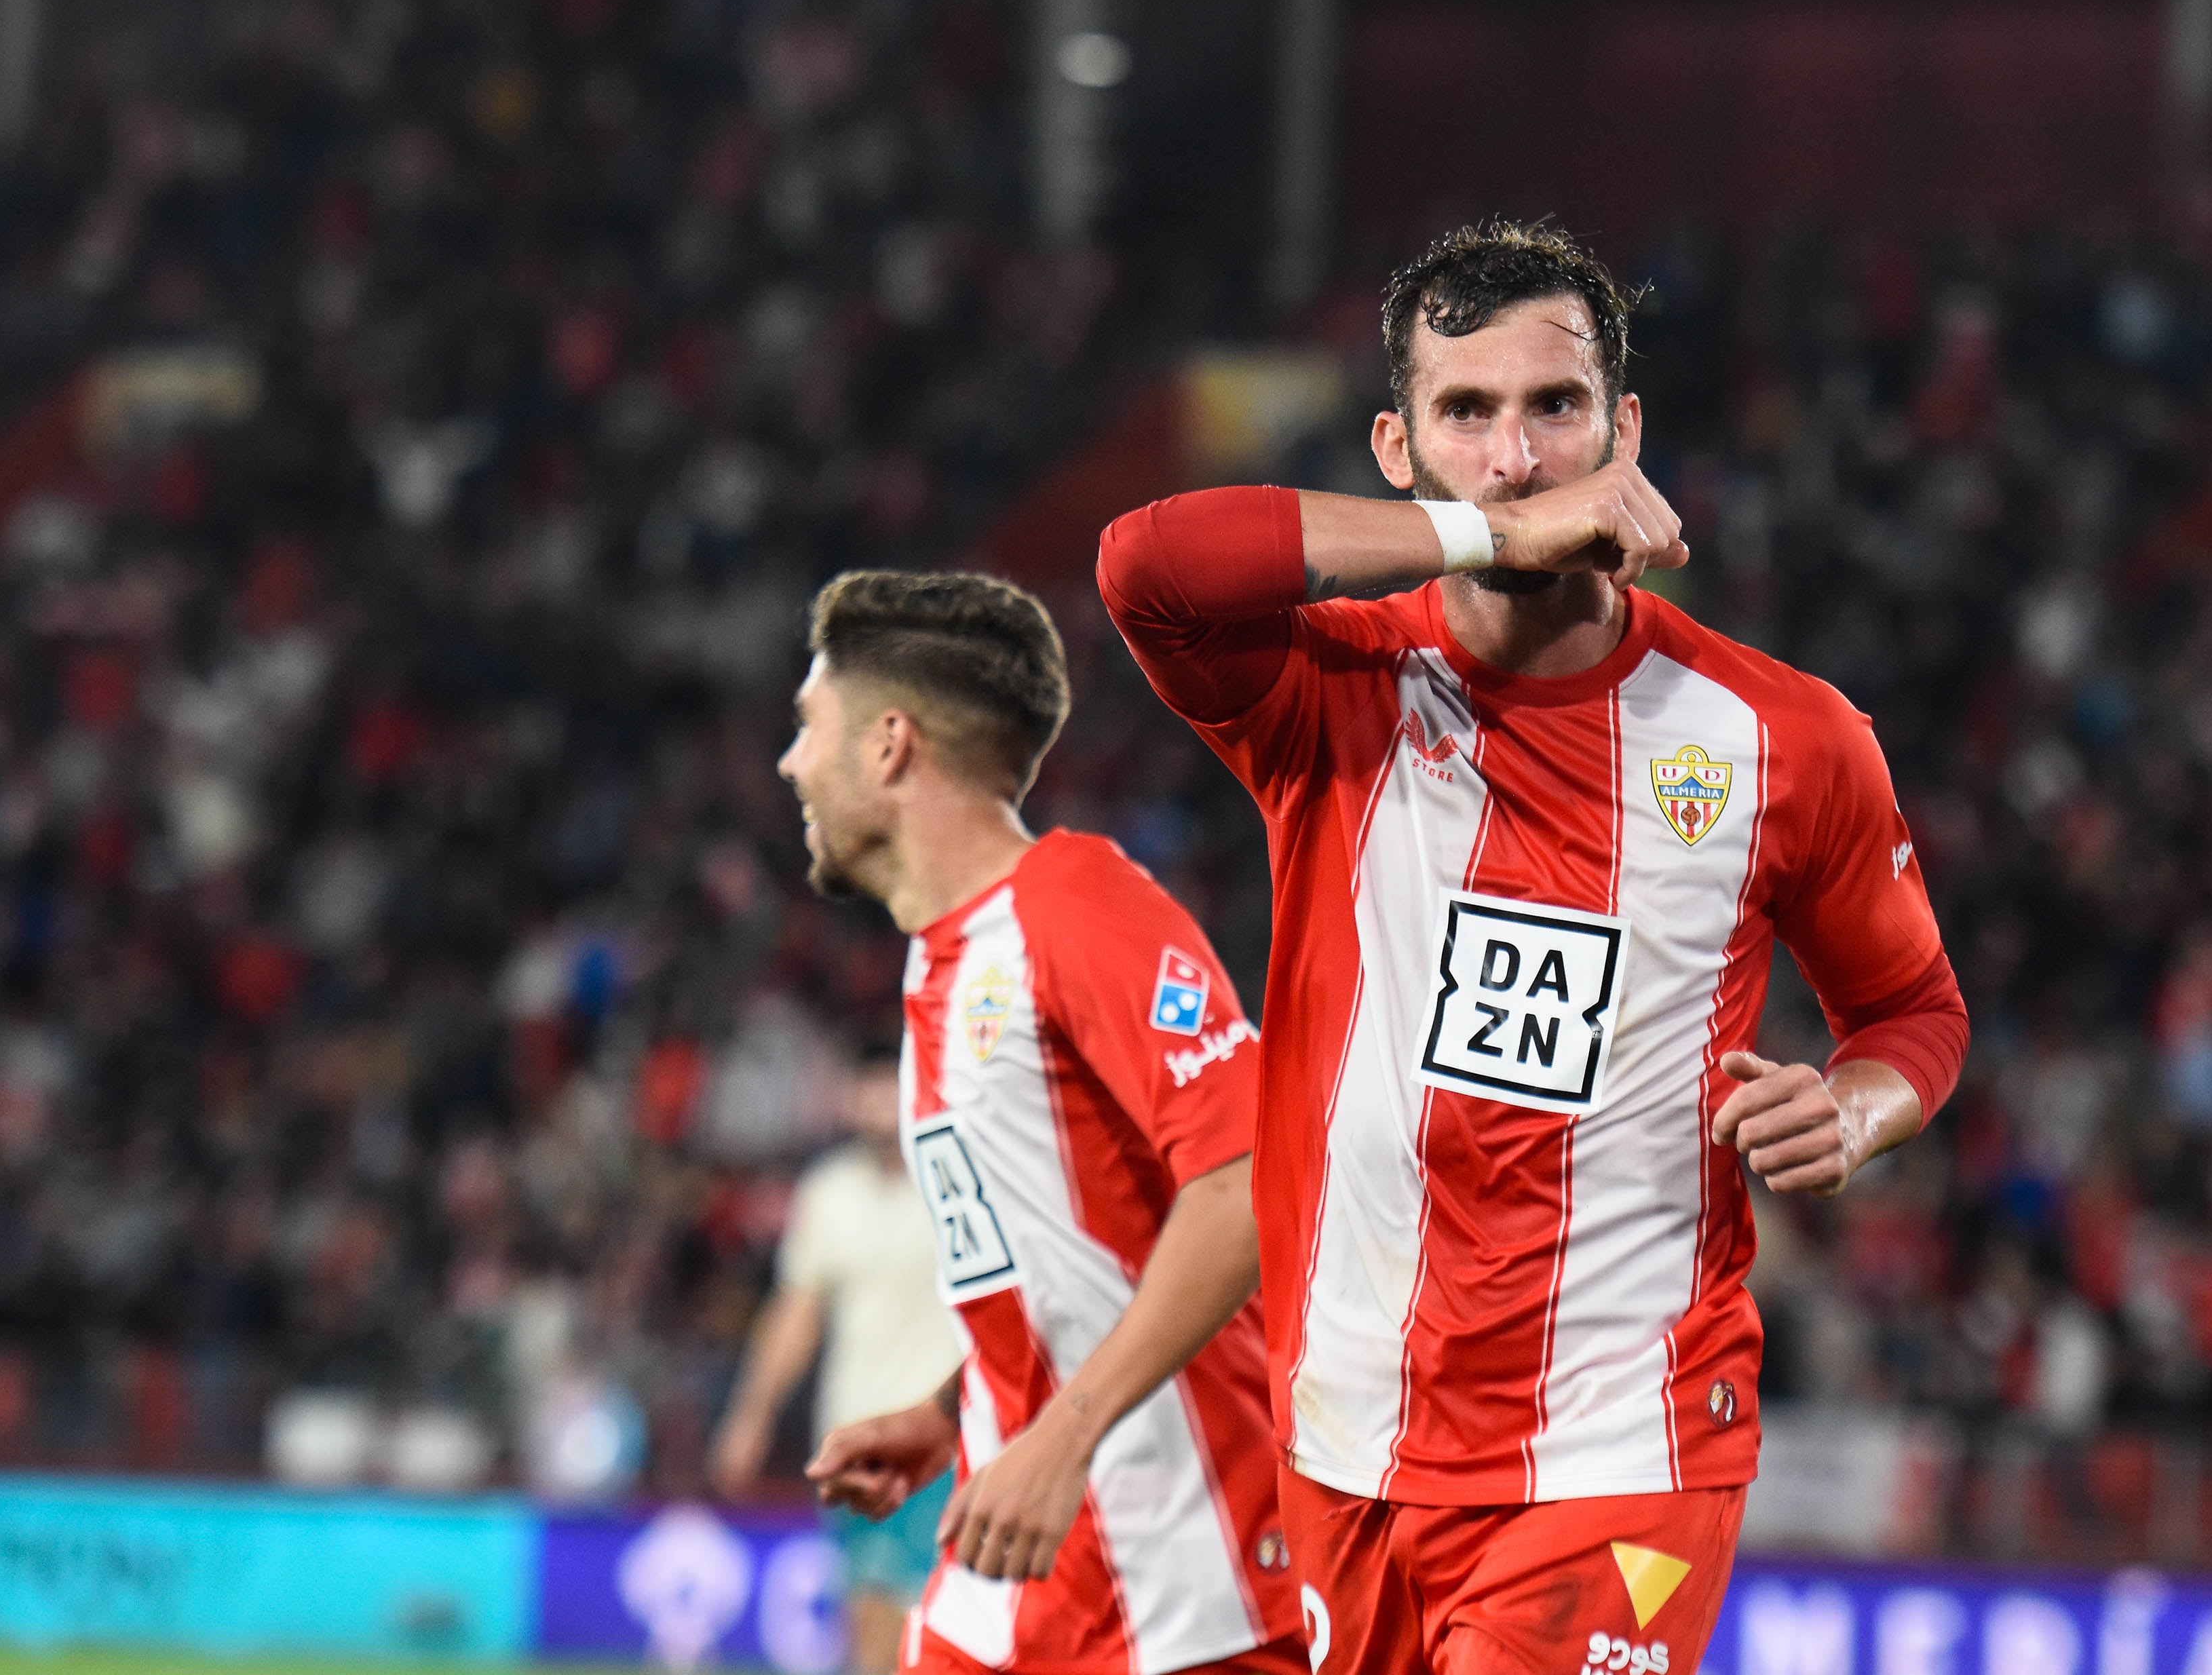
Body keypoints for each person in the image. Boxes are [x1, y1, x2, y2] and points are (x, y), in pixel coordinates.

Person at [1096, 219, 1970, 1675]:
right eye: (1466, 412)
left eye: (1553, 407)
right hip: (1347, 1430)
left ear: (1623, 429)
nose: (1515, 453)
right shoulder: (1331, 689)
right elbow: (1146, 566)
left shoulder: (1783, 739)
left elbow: (1911, 1010)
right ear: (1398, 446)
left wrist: (1854, 1104)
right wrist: (1488, 538)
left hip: (1619, 1441)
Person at [775, 570, 1303, 1675]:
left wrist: (1058, 1435)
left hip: (1179, 1593)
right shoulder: (942, 961)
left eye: (807, 727)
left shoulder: (1076, 908)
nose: (790, 765)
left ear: (888, 745)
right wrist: (947, 1406)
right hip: (1012, 1569)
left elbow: (1249, 1179)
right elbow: (1067, 1273)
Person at [710, 1053, 966, 1675]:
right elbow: (796, 1315)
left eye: (892, 1081)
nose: (880, 1100)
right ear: (849, 1096)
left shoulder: (959, 1175)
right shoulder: (827, 1192)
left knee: (937, 1620)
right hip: (853, 1438)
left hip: (945, 1437)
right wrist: (750, 1416)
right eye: (869, 1084)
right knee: (868, 1618)